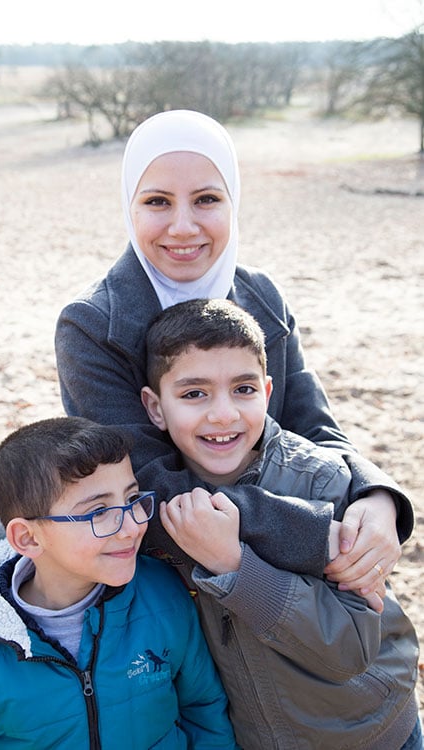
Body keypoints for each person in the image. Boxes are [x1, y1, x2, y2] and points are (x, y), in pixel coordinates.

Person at [55, 108, 413, 605]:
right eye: (157, 201)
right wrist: (319, 534)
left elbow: (314, 427)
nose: (183, 226)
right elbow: (149, 491)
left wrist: (375, 499)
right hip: (164, 579)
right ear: (128, 207)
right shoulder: (91, 326)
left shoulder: (262, 296)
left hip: (294, 564)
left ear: (233, 203)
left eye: (206, 199)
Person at [140, 297, 422, 750]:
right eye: (194, 393)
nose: (223, 414)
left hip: (371, 732)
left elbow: (349, 649)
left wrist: (236, 565)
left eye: (244, 390)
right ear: (155, 408)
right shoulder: (160, 498)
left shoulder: (320, 481)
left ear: (268, 393)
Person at [0, 417, 238, 749]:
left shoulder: (164, 596)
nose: (131, 527)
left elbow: (203, 709)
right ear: (28, 538)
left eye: (132, 499)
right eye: (98, 512)